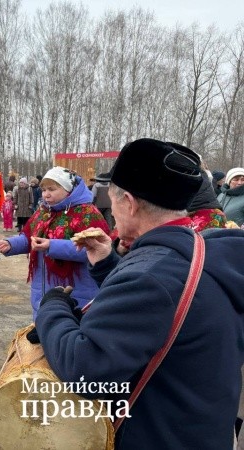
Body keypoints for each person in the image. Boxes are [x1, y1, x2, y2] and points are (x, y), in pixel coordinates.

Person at [34, 138, 244, 449]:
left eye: (113, 202)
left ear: (129, 203)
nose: (112, 214)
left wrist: (52, 307)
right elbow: (160, 309)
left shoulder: (150, 278)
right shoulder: (205, 250)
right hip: (204, 429)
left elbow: (85, 369)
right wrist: (107, 264)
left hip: (158, 436)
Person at [0, 167, 109, 319]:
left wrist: (52, 246)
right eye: (43, 190)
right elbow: (30, 237)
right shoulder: (44, 211)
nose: (45, 194)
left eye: (52, 189)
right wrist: (11, 244)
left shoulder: (87, 213)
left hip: (76, 292)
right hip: (41, 291)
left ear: (68, 190)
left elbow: (93, 249)